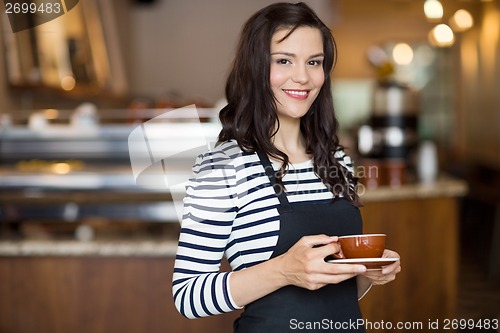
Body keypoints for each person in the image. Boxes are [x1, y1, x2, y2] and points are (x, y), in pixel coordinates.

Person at [172, 2, 401, 332]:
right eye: (283, 61)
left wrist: (367, 273)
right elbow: (187, 296)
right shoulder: (222, 167)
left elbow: (341, 295)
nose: (303, 77)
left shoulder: (337, 160)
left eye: (314, 62)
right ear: (255, 68)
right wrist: (283, 271)